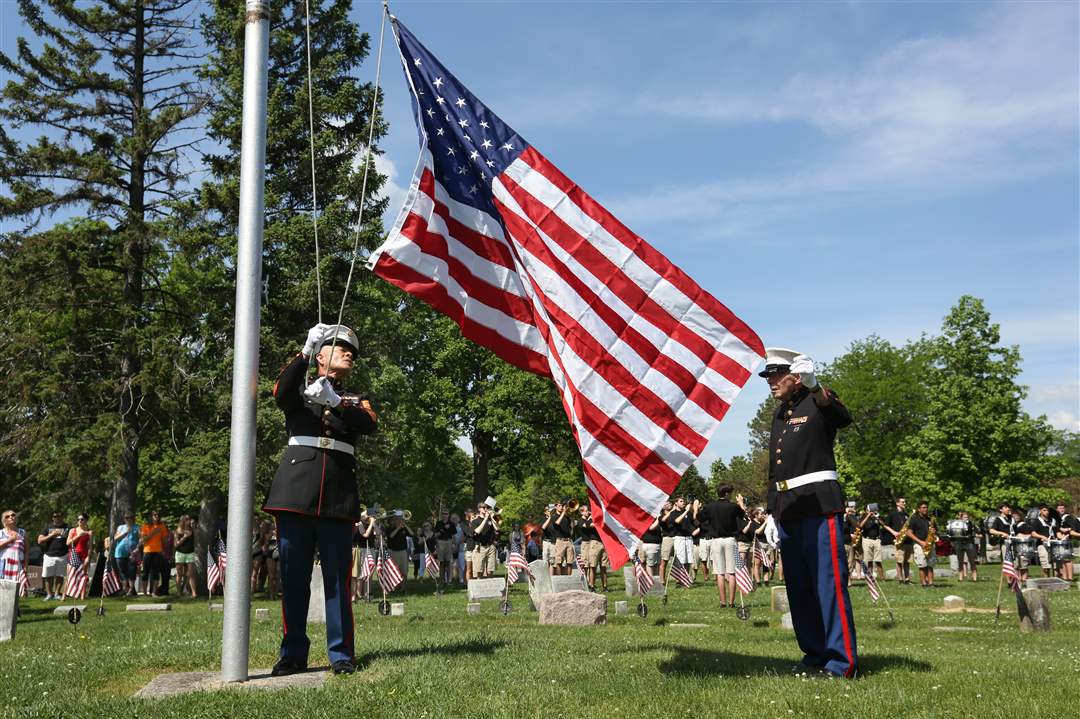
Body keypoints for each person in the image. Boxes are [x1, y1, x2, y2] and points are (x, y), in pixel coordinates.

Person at [262, 323, 377, 676]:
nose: (349, 354)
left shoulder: (356, 398)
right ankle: (293, 653)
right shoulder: (301, 389)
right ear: (322, 355)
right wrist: (304, 350)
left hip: (338, 496)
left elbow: (369, 423)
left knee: (337, 582)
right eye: (340, 347)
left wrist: (336, 402)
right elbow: (280, 392)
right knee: (294, 578)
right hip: (296, 493)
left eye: (352, 352)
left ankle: (341, 654)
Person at [761, 347, 857, 678]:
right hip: (788, 509)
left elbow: (842, 419)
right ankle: (814, 653)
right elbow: (775, 470)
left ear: (795, 376)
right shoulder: (779, 414)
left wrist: (816, 387)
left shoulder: (816, 401)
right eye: (768, 377)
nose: (770, 382)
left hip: (818, 505)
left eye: (775, 375)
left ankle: (841, 661)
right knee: (799, 587)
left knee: (827, 583)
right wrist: (771, 511)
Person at [700, 484, 745, 608]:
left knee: (720, 573)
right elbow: (743, 516)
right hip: (730, 540)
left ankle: (723, 602)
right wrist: (741, 503)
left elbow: (699, 518)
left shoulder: (710, 507)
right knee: (731, 572)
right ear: (726, 494)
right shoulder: (733, 506)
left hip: (716, 540)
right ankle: (731, 602)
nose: (730, 495)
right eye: (730, 493)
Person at [37, 511, 70, 600]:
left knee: (60, 575)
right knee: (48, 576)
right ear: (52, 518)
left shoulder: (68, 527)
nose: (57, 518)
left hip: (63, 554)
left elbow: (71, 539)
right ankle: (49, 594)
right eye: (55, 516)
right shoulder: (47, 527)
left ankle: (57, 594)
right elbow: (39, 540)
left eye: (59, 516)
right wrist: (52, 535)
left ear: (62, 517)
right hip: (49, 554)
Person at [138, 511, 168, 596]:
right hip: (147, 551)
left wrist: (164, 550)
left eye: (158, 515)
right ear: (151, 516)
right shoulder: (145, 526)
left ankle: (154, 592)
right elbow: (144, 540)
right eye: (155, 515)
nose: (157, 516)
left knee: (156, 572)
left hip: (158, 551)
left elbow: (164, 540)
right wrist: (154, 532)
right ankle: (144, 593)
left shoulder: (162, 526)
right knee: (145, 572)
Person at [906, 501, 935, 587]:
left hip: (930, 544)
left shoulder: (930, 519)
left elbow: (934, 532)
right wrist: (920, 542)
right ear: (919, 509)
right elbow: (908, 533)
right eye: (923, 507)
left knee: (930, 565)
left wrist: (934, 532)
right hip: (919, 544)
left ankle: (931, 583)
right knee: (922, 565)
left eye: (926, 507)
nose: (925, 509)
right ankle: (923, 583)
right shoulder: (914, 519)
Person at [0, 510, 26, 600]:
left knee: (16, 588)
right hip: (4, 565)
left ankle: (14, 609)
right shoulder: (1, 533)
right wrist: (10, 540)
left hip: (18, 564)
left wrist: (26, 566)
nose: (11, 517)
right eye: (7, 516)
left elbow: (27, 551)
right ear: (4, 520)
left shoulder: (22, 532)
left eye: (13, 515)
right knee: (3, 588)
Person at [884, 498, 911, 585]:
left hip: (908, 540)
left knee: (907, 561)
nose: (905, 503)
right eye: (903, 502)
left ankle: (907, 579)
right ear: (897, 503)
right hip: (898, 540)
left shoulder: (907, 514)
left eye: (905, 502)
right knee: (899, 561)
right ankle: (900, 579)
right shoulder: (892, 514)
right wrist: (894, 532)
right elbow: (885, 525)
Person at [112, 513, 139, 597]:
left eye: (130, 517)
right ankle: (125, 589)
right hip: (120, 552)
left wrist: (137, 549)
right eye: (127, 518)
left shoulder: (137, 527)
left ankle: (131, 590)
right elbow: (115, 538)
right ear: (124, 519)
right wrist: (124, 533)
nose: (129, 519)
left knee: (132, 571)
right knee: (122, 572)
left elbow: (141, 539)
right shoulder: (120, 527)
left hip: (132, 553)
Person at [470, 503, 499, 579]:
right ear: (479, 509)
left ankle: (490, 585)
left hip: (490, 546)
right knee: (479, 570)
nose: (486, 509)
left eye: (486, 507)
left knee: (490, 569)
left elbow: (497, 528)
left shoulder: (490, 520)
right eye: (483, 507)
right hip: (480, 547)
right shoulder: (475, 521)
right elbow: (477, 531)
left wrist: (492, 518)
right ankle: (480, 586)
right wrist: (485, 519)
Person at [1028, 504, 1057, 578]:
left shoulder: (1052, 521)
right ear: (1040, 511)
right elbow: (1033, 533)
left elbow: (1057, 532)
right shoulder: (1037, 521)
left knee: (1055, 564)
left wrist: (1061, 537)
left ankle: (1055, 579)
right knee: (1046, 564)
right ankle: (1046, 579)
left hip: (1053, 543)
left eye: (1047, 510)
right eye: (1044, 510)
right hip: (1042, 545)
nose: (1046, 512)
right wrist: (1042, 536)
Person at [669, 497, 695, 580]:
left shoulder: (688, 513)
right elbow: (677, 521)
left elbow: (694, 521)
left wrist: (694, 509)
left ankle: (686, 578)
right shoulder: (673, 513)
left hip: (688, 538)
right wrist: (686, 511)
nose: (683, 503)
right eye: (681, 501)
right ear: (676, 503)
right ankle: (679, 579)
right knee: (681, 559)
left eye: (684, 501)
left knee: (688, 560)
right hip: (679, 538)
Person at [548, 500, 575, 576]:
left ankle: (569, 578)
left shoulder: (567, 517)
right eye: (559, 506)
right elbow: (557, 523)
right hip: (560, 541)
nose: (561, 507)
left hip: (568, 541)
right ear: (556, 507)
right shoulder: (554, 516)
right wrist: (563, 513)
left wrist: (571, 518)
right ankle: (560, 579)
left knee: (569, 562)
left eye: (562, 506)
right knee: (559, 561)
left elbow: (571, 529)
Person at [858, 504, 884, 581]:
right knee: (868, 560)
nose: (872, 512)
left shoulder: (876, 516)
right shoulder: (863, 516)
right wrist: (868, 516)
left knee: (878, 560)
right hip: (867, 540)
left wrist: (877, 517)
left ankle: (882, 578)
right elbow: (860, 526)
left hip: (876, 539)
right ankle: (870, 577)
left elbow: (883, 524)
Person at [173, 515, 197, 597]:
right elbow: (176, 545)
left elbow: (195, 541)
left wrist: (194, 529)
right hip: (180, 553)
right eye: (187, 519)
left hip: (190, 553)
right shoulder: (178, 531)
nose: (189, 521)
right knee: (179, 574)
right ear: (183, 521)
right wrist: (185, 537)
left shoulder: (192, 529)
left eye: (189, 519)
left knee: (191, 574)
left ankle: (194, 593)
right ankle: (179, 592)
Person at [385, 511, 413, 581]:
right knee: (393, 570)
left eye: (401, 519)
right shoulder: (390, 528)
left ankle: (403, 588)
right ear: (394, 520)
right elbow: (391, 536)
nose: (399, 520)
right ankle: (393, 586)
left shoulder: (404, 528)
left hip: (403, 551)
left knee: (404, 571)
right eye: (398, 519)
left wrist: (405, 525)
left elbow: (412, 534)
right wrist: (398, 528)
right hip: (393, 551)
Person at [953, 511, 978, 582]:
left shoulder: (971, 524)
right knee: (960, 560)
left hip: (969, 543)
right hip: (959, 543)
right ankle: (961, 577)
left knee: (972, 560)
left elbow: (978, 532)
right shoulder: (957, 524)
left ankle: (974, 577)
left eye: (967, 517)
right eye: (964, 517)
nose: (966, 518)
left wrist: (974, 535)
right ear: (961, 518)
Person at [434, 510, 457, 585]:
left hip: (449, 542)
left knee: (449, 562)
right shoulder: (438, 523)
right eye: (443, 514)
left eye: (446, 514)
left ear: (448, 515)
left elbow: (454, 535)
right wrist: (443, 529)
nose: (444, 515)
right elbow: (435, 535)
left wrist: (454, 544)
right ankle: (441, 580)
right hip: (440, 543)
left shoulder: (451, 524)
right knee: (441, 562)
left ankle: (449, 581)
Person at [1057, 503, 1078, 581]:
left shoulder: (1068, 517)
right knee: (1063, 559)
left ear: (1064, 509)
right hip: (1060, 540)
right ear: (1057, 509)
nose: (1061, 509)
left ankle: (1070, 577)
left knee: (1068, 559)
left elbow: (1073, 528)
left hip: (1066, 540)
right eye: (1059, 508)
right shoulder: (1058, 518)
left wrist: (1066, 529)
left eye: (1062, 508)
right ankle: (1064, 577)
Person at [658, 500, 675, 580]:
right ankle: (662, 580)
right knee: (664, 560)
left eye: (670, 503)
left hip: (677, 538)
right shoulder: (661, 516)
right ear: (663, 507)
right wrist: (672, 510)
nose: (670, 504)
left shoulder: (674, 514)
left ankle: (678, 579)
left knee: (678, 560)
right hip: (667, 539)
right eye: (667, 503)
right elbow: (663, 520)